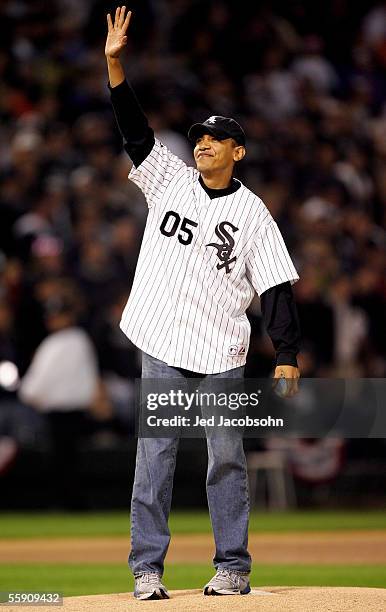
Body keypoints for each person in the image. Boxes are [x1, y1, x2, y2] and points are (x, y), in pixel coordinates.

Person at [105, 6, 301, 600]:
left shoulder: (254, 213)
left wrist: (287, 353)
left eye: (217, 139)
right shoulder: (169, 178)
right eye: (200, 138)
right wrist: (115, 67)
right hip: (161, 337)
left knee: (226, 460)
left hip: (220, 347)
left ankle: (233, 567)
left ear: (238, 151)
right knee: (155, 458)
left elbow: (275, 287)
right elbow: (135, 131)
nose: (205, 145)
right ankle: (147, 570)